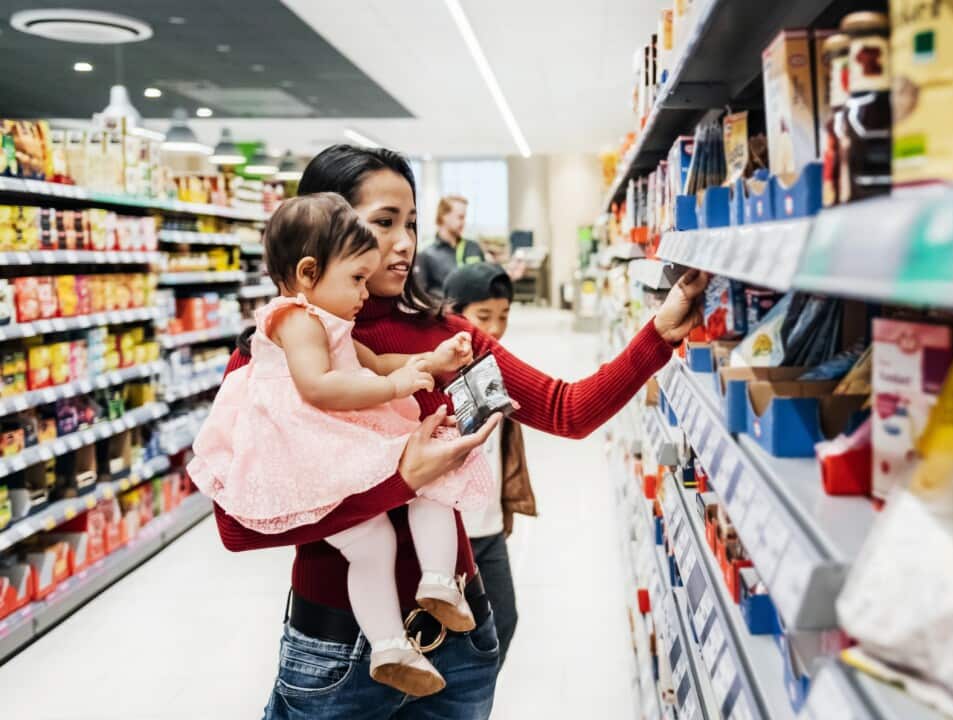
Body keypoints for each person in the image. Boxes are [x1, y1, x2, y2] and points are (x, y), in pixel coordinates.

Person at [212, 144, 709, 720]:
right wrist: (402, 480)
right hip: (337, 655)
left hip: (458, 648)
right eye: (382, 223)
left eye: (412, 223)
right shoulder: (275, 355)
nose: (403, 244)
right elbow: (236, 526)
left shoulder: (445, 337)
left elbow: (567, 410)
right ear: (327, 230)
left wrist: (659, 332)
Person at [190, 193, 498, 698]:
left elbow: (375, 364)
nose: (363, 292)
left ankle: (423, 603)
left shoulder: (331, 321)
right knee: (396, 515)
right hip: (314, 451)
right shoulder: (296, 320)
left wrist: (434, 359)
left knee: (410, 507)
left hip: (340, 443)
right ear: (309, 273)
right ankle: (399, 629)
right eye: (356, 278)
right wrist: (398, 389)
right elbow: (319, 388)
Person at [441, 262, 532, 670]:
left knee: (504, 620)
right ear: (454, 314)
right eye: (483, 317)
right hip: (449, 530)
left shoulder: (496, 368)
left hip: (488, 526)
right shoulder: (436, 373)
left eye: (504, 317)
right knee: (453, 634)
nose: (495, 329)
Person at [416, 195, 485, 295]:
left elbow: (485, 282)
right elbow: (420, 294)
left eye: (464, 217)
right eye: (460, 217)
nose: (464, 222)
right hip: (443, 308)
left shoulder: (474, 247)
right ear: (444, 216)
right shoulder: (425, 253)